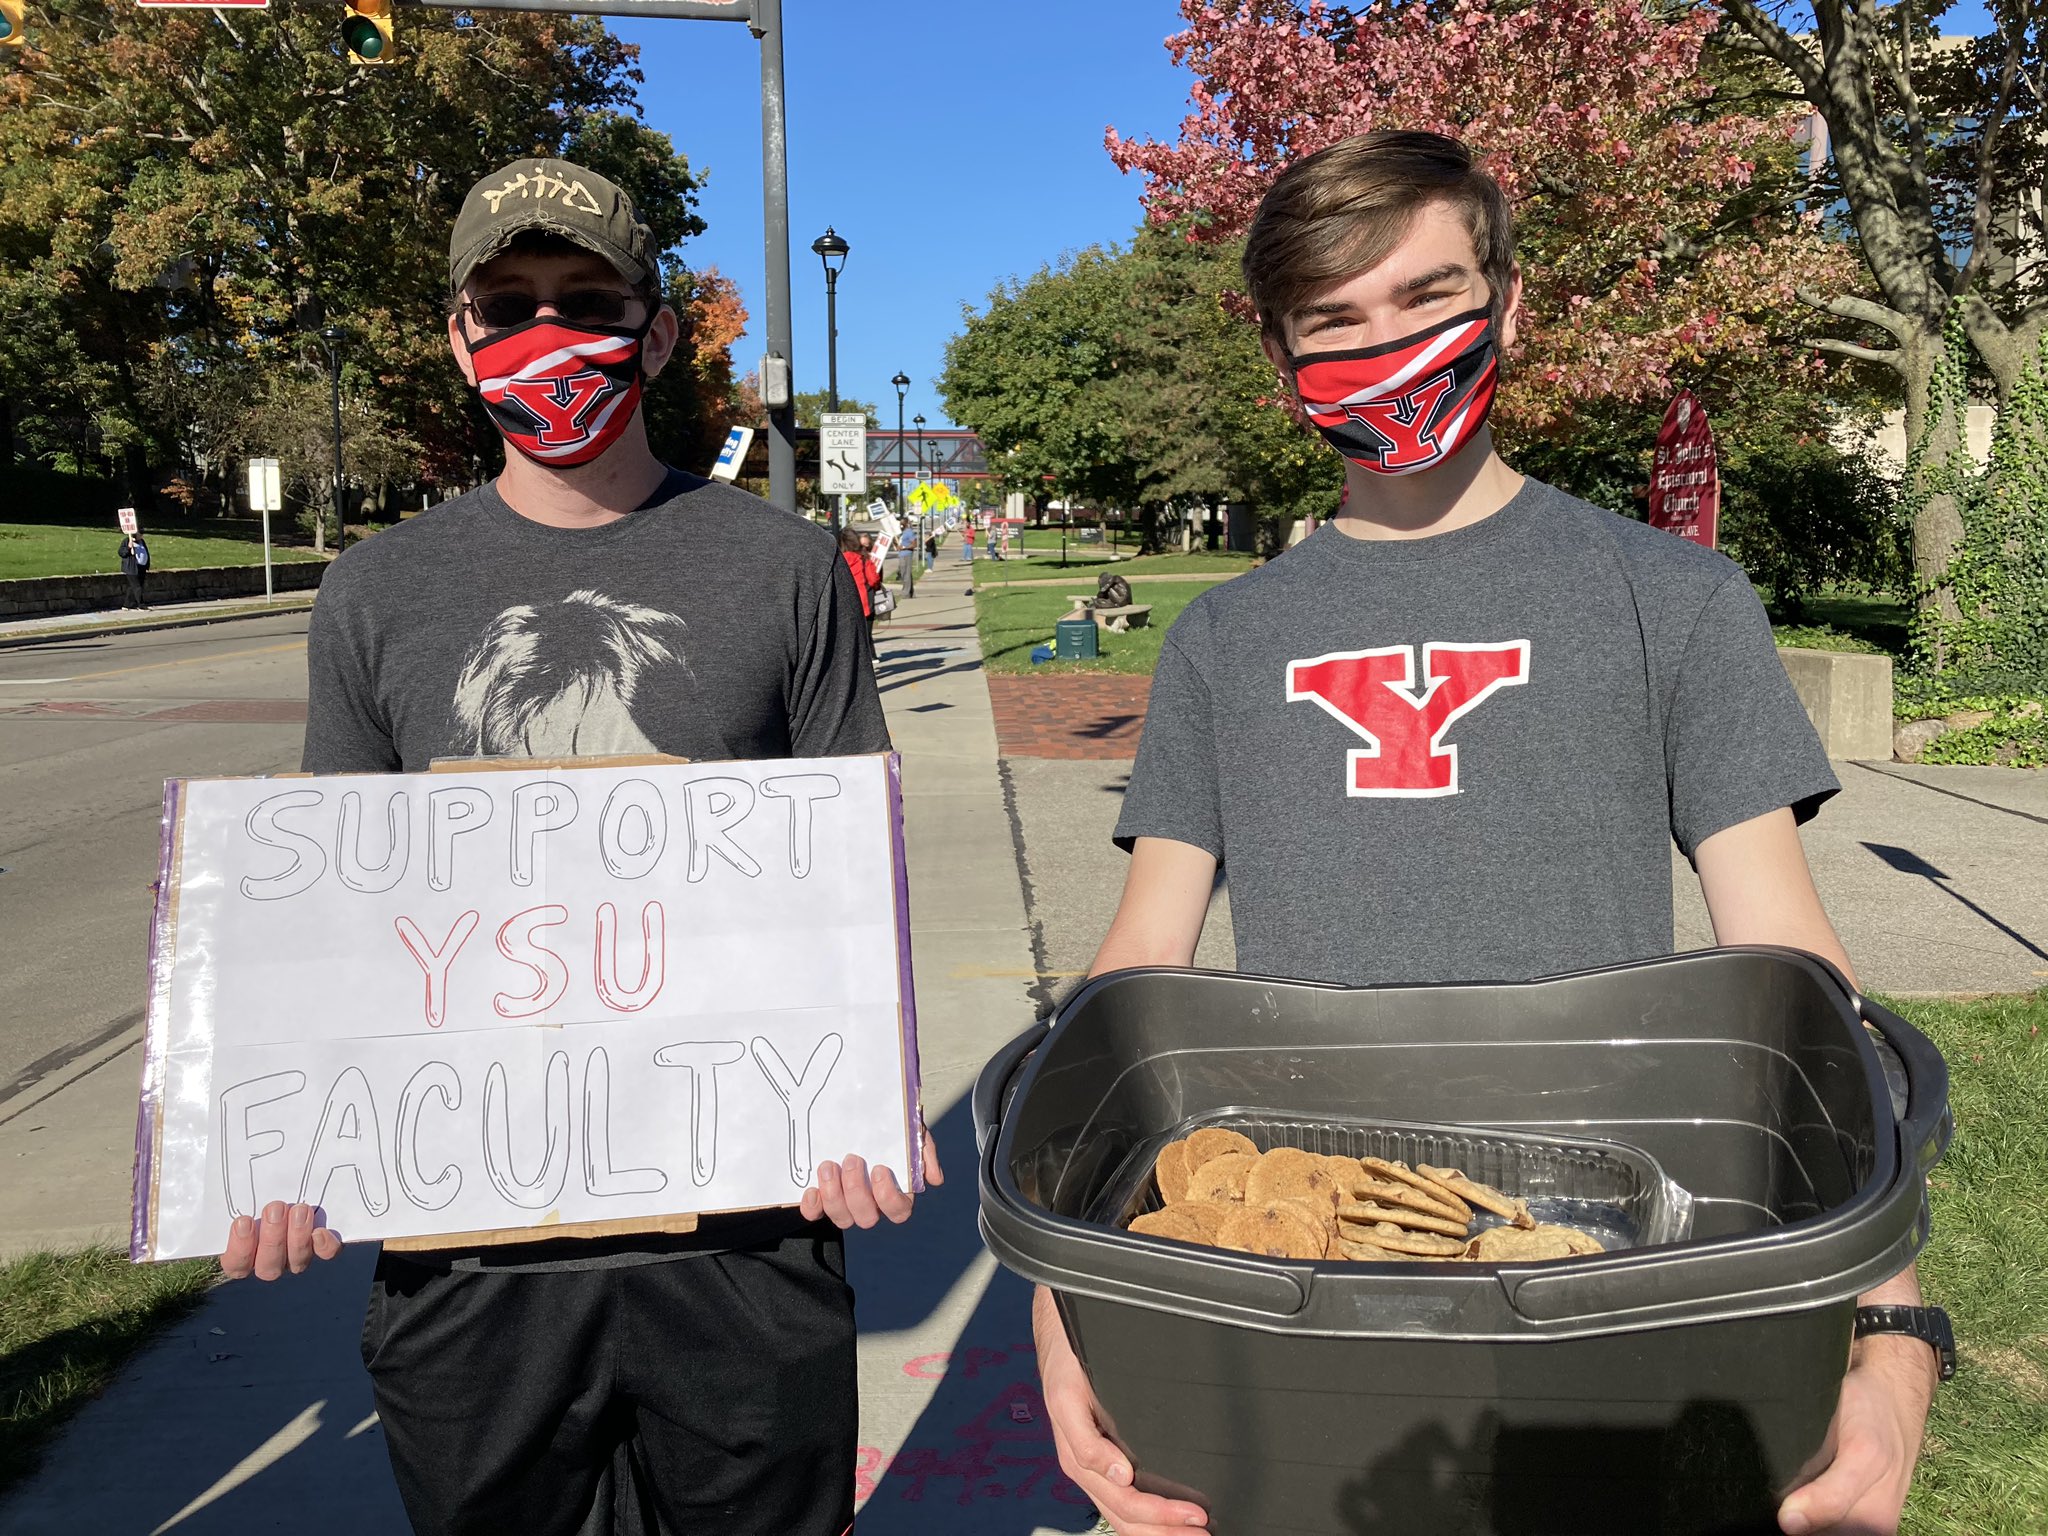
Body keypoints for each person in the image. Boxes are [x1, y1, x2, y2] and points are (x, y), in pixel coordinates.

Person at [1035, 131, 1940, 1536]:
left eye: (1429, 296)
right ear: (1284, 357)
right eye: (1335, 320)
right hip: (1299, 1312)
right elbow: (1132, 993)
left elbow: (1803, 994)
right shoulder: (1223, 640)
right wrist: (1070, 1306)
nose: (1386, 347)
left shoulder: (1674, 600)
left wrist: (1897, 1343)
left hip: (1603, 1285)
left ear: (1510, 305)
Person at [217, 156, 938, 1536]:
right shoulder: (375, 594)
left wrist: (865, 1091)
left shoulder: (782, 568)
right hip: (468, 1243)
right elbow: (339, 907)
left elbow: (854, 868)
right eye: (509, 305)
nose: (546, 333)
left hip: (746, 1226)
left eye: (586, 299)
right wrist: (288, 1131)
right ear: (458, 337)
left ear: (659, 333)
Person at [842, 526, 883, 669]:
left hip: (848, 603)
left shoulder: (842, 559)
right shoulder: (864, 558)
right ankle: (870, 658)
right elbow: (873, 579)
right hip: (866, 601)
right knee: (866, 634)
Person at [117, 530, 150, 609]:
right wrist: (129, 547)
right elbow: (121, 553)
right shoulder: (127, 541)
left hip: (141, 567)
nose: (142, 536)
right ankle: (141, 605)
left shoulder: (141, 541)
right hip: (131, 568)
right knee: (137, 587)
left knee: (133, 587)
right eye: (140, 534)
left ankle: (127, 604)